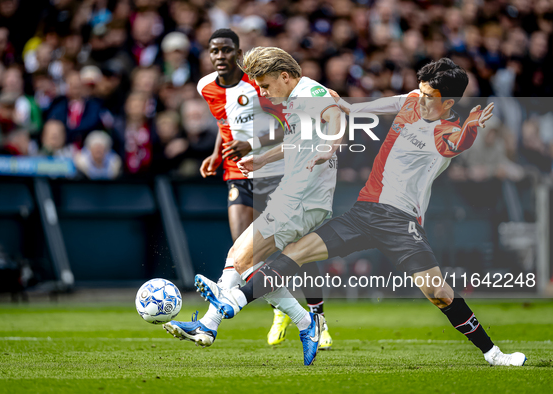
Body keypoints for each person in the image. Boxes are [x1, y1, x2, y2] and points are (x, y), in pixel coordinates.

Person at [196, 58, 527, 367]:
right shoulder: (413, 99)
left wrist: (470, 128)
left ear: (449, 104)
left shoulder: (448, 131)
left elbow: (457, 142)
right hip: (364, 212)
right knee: (297, 252)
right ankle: (234, 301)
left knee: (439, 294)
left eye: (430, 97)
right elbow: (362, 108)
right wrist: (341, 106)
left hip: (401, 223)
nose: (421, 100)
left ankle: (494, 354)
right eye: (421, 91)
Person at [171, 44, 344, 366]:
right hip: (296, 197)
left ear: (284, 76)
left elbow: (334, 114)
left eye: (264, 85)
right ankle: (210, 325)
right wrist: (263, 157)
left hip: (303, 200)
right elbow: (299, 137)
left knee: (241, 261)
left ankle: (233, 307)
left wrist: (332, 145)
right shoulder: (296, 99)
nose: (262, 91)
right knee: (238, 258)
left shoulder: (309, 93)